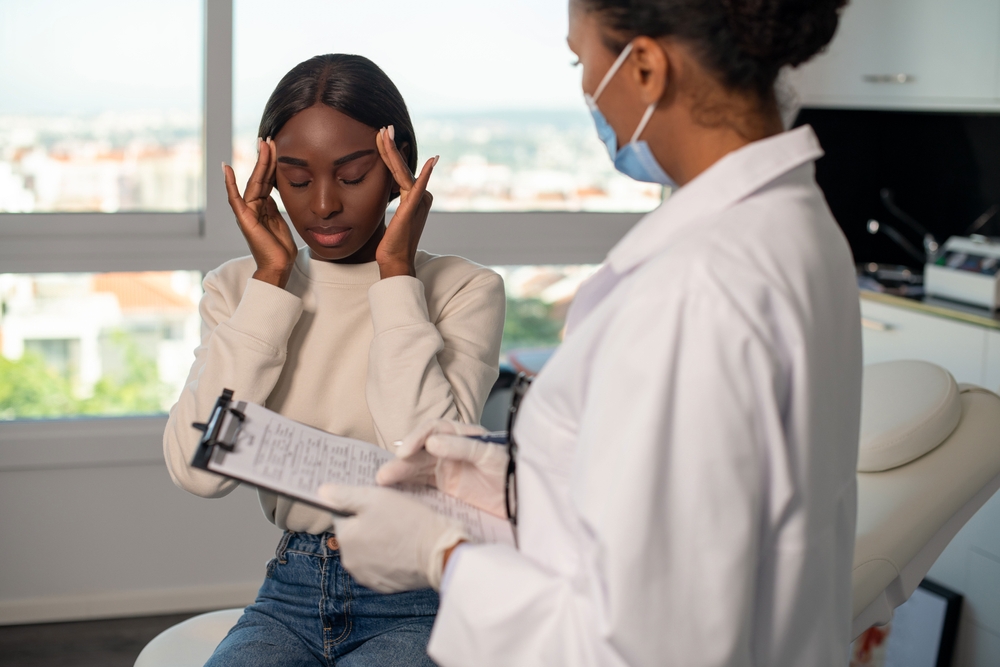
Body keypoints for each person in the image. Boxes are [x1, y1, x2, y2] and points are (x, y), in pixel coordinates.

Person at [317, 0, 862, 665]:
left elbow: (638, 647)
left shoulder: (697, 290)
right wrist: (510, 483)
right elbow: (703, 512)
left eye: (583, 60)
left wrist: (441, 555)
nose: (584, 89)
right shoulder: (792, 225)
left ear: (644, 68)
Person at [162, 54, 505, 666]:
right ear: (269, 177)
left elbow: (426, 454)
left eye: (351, 176)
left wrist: (397, 275)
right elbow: (198, 471)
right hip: (291, 587)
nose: (322, 205)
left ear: (400, 169)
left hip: (418, 590)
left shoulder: (463, 289)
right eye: (296, 179)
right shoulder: (239, 289)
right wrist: (272, 281)